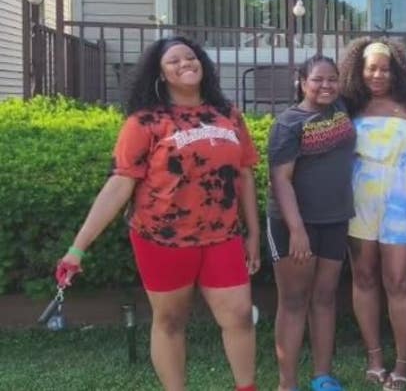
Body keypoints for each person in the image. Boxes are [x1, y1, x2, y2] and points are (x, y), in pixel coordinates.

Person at [55, 36, 261, 391]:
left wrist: (254, 233)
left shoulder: (228, 115)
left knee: (240, 315)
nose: (185, 64)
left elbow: (244, 174)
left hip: (222, 236)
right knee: (170, 321)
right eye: (174, 61)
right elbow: (120, 184)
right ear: (161, 74)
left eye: (191, 57)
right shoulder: (145, 122)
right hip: (162, 239)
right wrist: (78, 247)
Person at [340, 38, 406, 390]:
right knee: (364, 277)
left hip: (402, 203)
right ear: (359, 70)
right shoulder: (349, 106)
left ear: (396, 70)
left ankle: (402, 361)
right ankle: (374, 357)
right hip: (358, 201)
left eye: (385, 68)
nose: (378, 75)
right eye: (371, 68)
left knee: (398, 281)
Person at [267, 55, 356, 391]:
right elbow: (281, 181)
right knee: (293, 300)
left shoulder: (341, 110)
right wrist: (297, 230)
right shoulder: (287, 124)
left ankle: (322, 377)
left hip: (335, 219)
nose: (326, 86)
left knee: (324, 297)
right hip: (293, 225)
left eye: (332, 79)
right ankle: (286, 383)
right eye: (317, 79)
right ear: (302, 82)